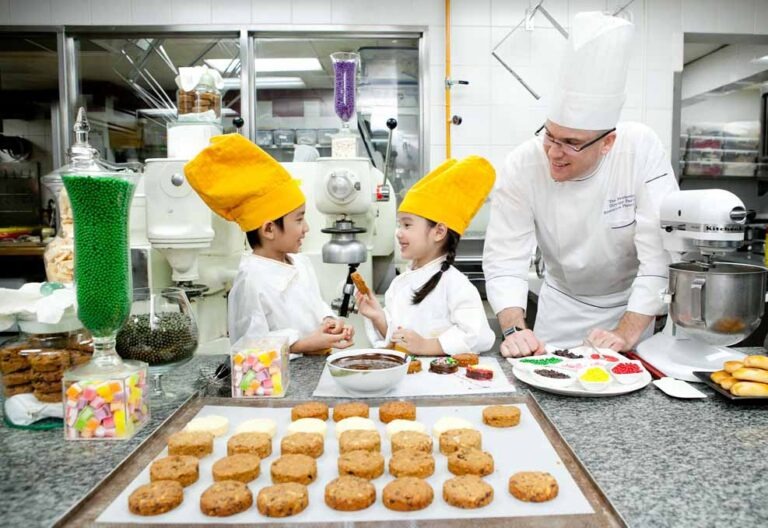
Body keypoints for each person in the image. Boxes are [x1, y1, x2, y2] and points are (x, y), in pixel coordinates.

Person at [483, 12, 679, 357]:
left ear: (607, 143)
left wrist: (626, 333)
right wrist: (514, 329)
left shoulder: (640, 149)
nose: (554, 153)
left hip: (631, 306)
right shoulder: (523, 164)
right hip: (561, 307)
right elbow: (505, 258)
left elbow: (659, 255)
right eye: (550, 135)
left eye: (571, 143)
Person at [184, 133, 354, 353]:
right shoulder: (251, 282)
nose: (306, 228)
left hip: (315, 364)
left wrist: (329, 321)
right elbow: (249, 346)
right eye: (299, 219)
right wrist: (303, 345)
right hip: (282, 373)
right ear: (268, 229)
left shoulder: (301, 263)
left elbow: (315, 306)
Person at [355, 156, 496, 356]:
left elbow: (478, 335)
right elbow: (398, 340)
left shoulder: (456, 285)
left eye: (407, 225)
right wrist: (378, 316)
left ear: (439, 232)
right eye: (399, 224)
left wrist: (427, 346)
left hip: (444, 375)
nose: (399, 232)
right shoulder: (399, 284)